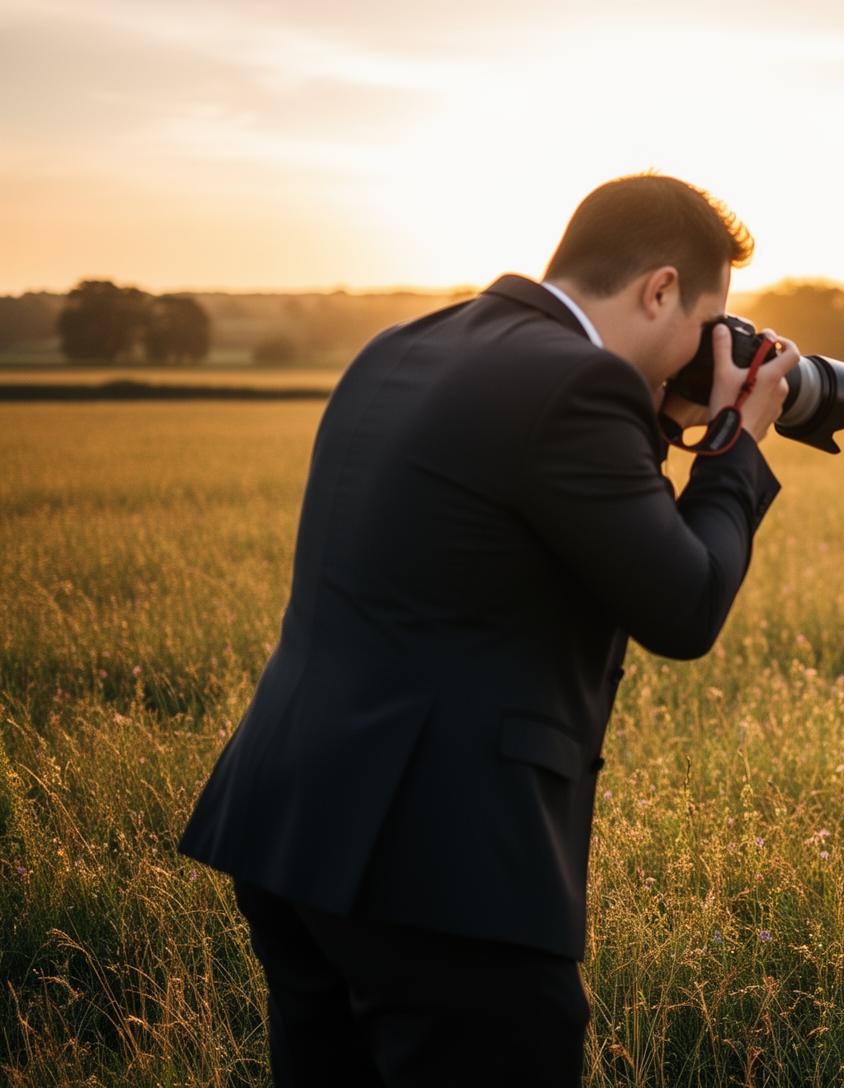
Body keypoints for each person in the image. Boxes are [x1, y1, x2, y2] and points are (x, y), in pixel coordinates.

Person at [175, 173, 799, 1087]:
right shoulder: (579, 385)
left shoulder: (408, 344)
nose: (699, 355)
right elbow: (684, 605)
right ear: (659, 289)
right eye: (706, 325)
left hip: (292, 827)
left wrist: (659, 425)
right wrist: (735, 441)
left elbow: (525, 504)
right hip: (440, 867)